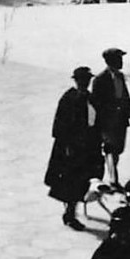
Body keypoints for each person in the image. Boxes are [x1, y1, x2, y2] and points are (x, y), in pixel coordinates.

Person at [45, 66, 103, 230]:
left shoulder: (91, 98)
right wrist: (67, 147)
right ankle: (70, 215)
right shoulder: (68, 99)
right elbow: (59, 127)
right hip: (71, 150)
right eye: (83, 80)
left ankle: (73, 211)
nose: (86, 83)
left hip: (88, 148)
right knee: (71, 184)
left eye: (88, 80)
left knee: (84, 181)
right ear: (77, 81)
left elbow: (95, 121)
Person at [90, 47, 130, 187]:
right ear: (110, 61)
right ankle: (113, 179)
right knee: (110, 149)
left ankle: (113, 174)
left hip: (121, 120)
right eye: (119, 59)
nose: (121, 61)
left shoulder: (120, 77)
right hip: (107, 122)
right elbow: (96, 103)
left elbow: (125, 96)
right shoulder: (99, 80)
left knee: (118, 149)